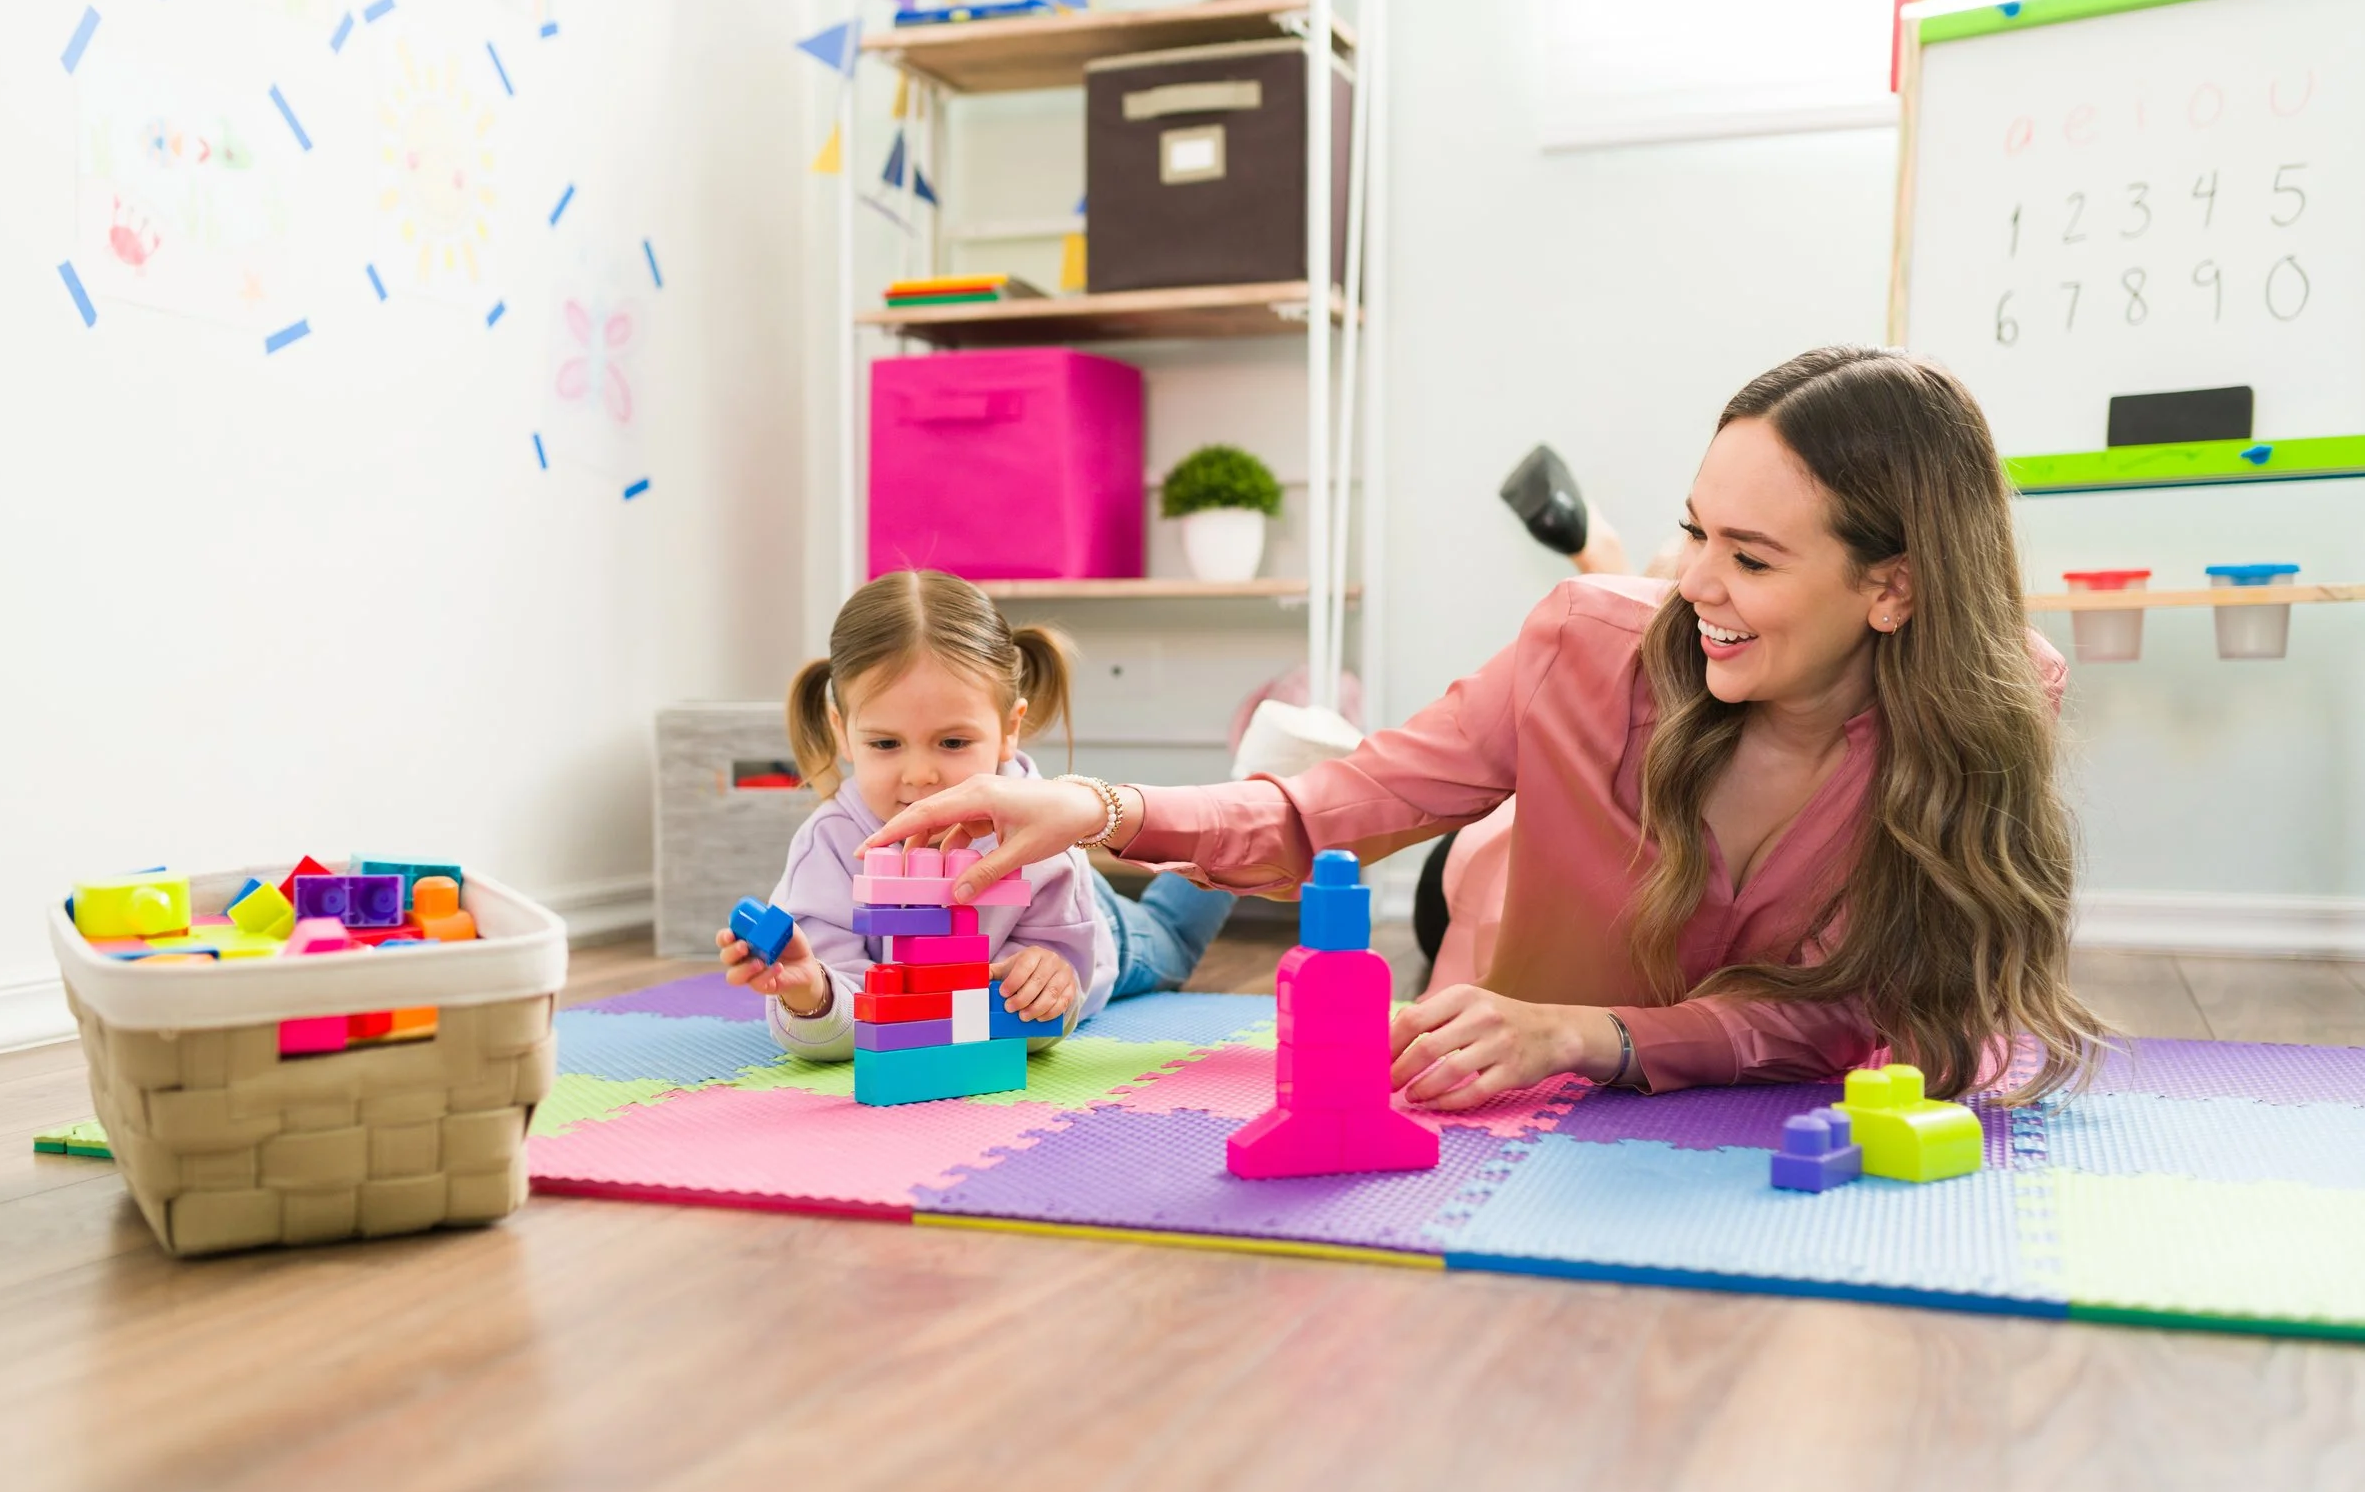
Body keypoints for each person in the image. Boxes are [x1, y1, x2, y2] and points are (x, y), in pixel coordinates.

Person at [857, 347, 2104, 1110]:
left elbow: (1881, 1013)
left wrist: (1599, 1037)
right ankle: (1507, 805)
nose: (1703, 577)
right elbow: (1333, 808)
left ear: (1893, 587)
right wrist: (1106, 810)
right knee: (1480, 823)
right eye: (1695, 532)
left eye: (1752, 554)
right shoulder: (1586, 643)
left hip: (1600, 990)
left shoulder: (1991, 700)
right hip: (1503, 903)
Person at [717, 569, 1234, 1057]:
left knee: (1174, 933)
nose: (920, 774)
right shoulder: (829, 843)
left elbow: (1042, 1012)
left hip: (1104, 929)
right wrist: (813, 992)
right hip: (998, 942)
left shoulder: (1041, 838)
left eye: (953, 741)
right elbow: (842, 1015)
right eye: (886, 743)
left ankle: (1242, 797)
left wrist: (1046, 978)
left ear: (1010, 729)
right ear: (842, 731)